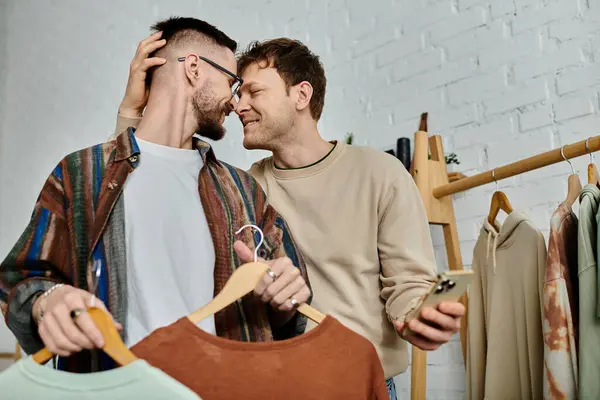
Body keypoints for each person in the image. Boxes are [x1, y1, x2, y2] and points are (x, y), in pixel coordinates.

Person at [116, 35, 465, 399]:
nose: (238, 105)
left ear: (301, 95)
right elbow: (134, 197)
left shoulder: (380, 173)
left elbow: (409, 282)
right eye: (238, 92)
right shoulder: (243, 189)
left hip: (361, 383)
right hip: (277, 384)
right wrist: (132, 110)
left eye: (253, 92)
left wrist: (418, 315)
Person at [0, 17, 311, 373]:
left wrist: (286, 297)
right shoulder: (84, 173)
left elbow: (289, 309)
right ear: (194, 68)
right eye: (232, 82)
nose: (235, 102)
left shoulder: (242, 190)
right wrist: (48, 301)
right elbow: (19, 278)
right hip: (113, 389)